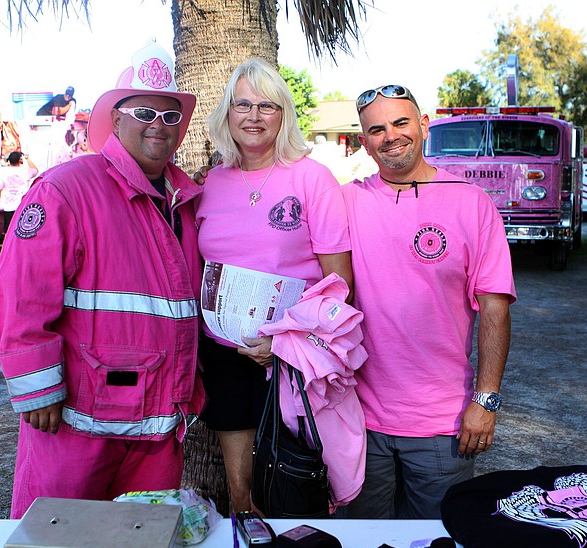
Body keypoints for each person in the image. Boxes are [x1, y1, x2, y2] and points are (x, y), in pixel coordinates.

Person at [0, 40, 204, 519]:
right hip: (77, 423)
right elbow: (21, 295)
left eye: (170, 116)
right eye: (144, 112)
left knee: (143, 541)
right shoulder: (66, 189)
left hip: (157, 427)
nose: (158, 125)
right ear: (117, 119)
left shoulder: (186, 201)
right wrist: (37, 389)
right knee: (56, 537)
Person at [341, 85, 517, 520]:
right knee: (363, 542)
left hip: (442, 424)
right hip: (358, 421)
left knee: (436, 542)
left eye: (401, 123)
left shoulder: (472, 203)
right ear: (364, 142)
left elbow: (495, 309)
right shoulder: (346, 201)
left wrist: (486, 400)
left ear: (423, 126)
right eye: (377, 130)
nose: (390, 136)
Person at [195, 58, 353, 514]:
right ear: (227, 113)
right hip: (224, 354)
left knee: (293, 493)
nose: (254, 115)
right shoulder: (211, 183)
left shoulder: (312, 178)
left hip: (291, 357)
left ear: (284, 114)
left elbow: (339, 283)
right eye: (242, 104)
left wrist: (283, 342)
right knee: (243, 500)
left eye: (267, 105)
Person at [0, 151, 38, 235]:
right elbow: (35, 170)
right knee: (23, 232)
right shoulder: (25, 171)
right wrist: (27, 159)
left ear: (9, 160)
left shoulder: (2, 172)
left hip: (9, 207)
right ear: (20, 160)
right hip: (23, 206)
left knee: (8, 232)